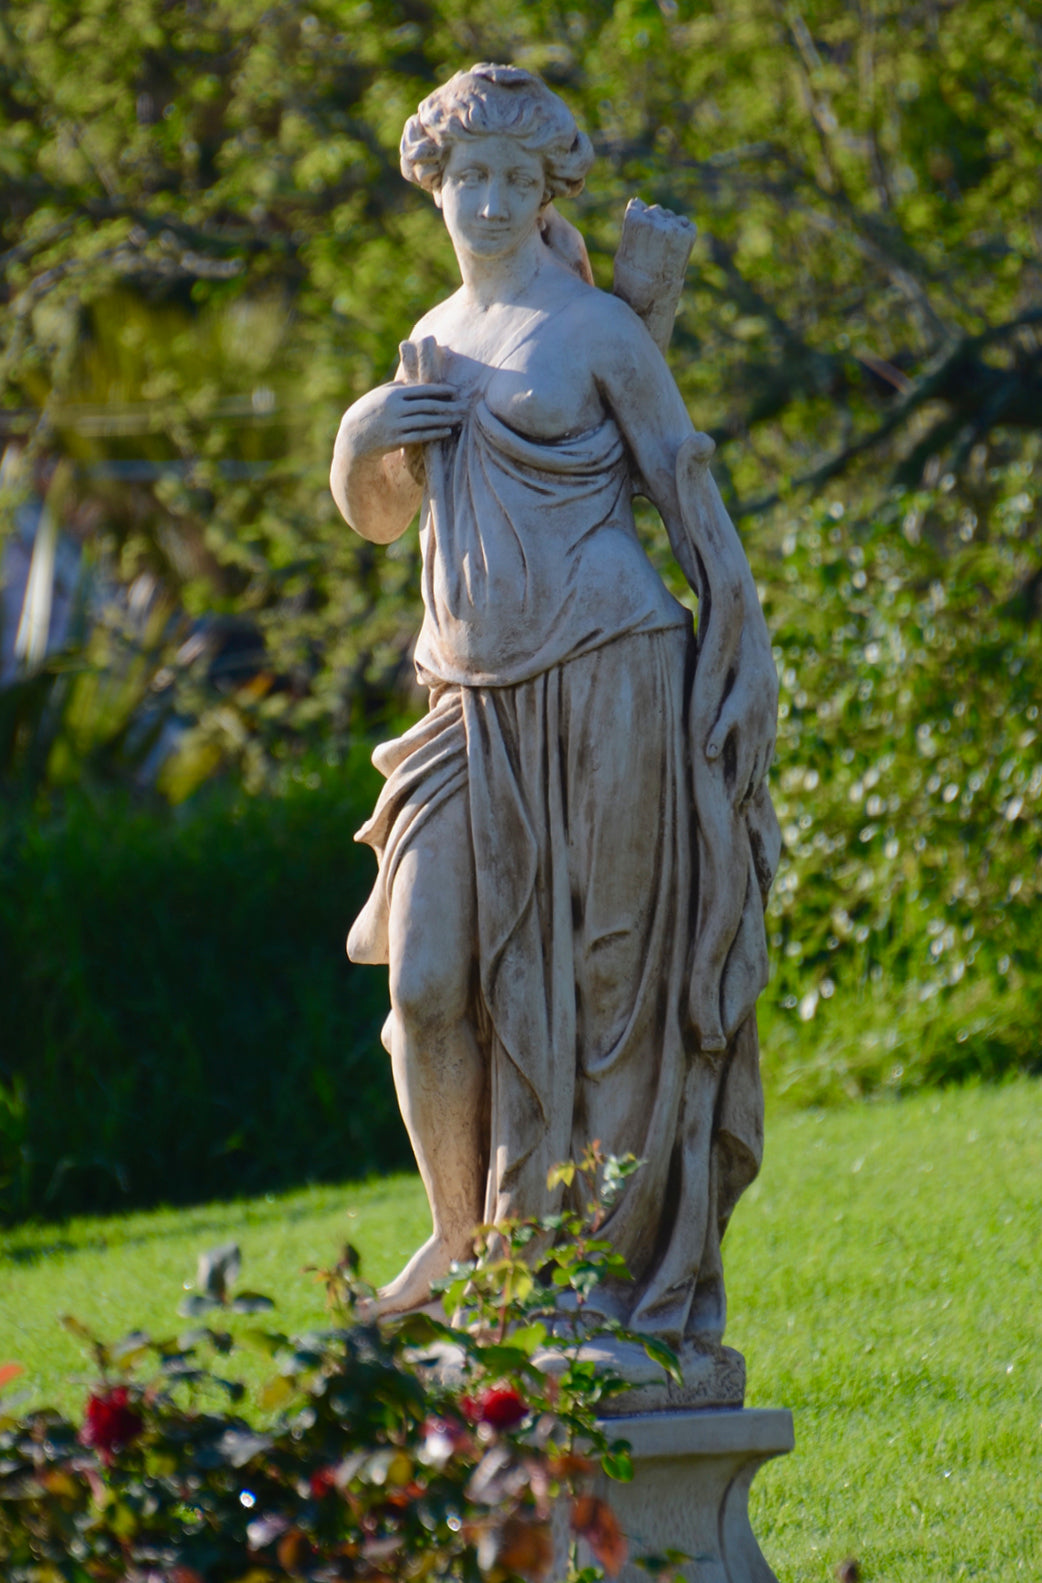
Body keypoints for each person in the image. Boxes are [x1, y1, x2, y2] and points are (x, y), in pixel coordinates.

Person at [330, 64, 778, 1349]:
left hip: (609, 672)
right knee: (428, 978)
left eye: (512, 180)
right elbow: (381, 518)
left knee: (604, 978)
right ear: (435, 186)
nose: (487, 201)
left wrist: (740, 657)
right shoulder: (429, 339)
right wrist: (359, 437)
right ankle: (461, 1235)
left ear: (544, 194)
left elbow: (686, 495)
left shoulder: (596, 332)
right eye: (467, 176)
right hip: (465, 701)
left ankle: (591, 1269)